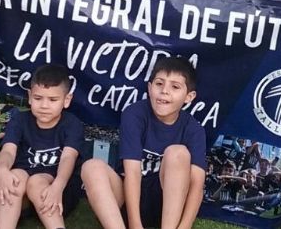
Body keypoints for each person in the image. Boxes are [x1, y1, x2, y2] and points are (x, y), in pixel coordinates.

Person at [81, 57, 207, 229]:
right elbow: (132, 172)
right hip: (129, 198)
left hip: (166, 207)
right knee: (91, 167)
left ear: (189, 96)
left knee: (178, 153)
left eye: (175, 87)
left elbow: (197, 186)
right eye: (159, 84)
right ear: (149, 88)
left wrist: (184, 226)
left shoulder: (194, 129)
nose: (164, 91)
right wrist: (135, 224)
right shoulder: (134, 114)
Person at [0, 64, 83, 229]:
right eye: (38, 98)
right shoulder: (19, 120)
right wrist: (1, 170)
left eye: (52, 100)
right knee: (14, 176)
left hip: (56, 191)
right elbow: (8, 150)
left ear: (66, 100)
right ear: (29, 96)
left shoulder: (72, 124)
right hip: (22, 191)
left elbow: (68, 157)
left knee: (36, 181)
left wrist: (58, 186)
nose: (44, 105)